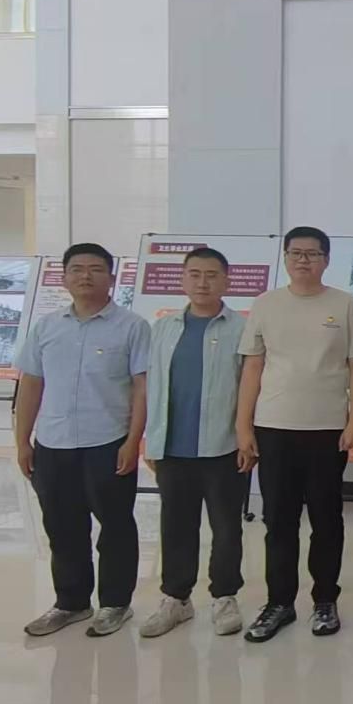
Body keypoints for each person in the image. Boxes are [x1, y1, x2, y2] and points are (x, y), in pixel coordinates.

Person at [237, 226, 353, 642]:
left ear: (326, 259)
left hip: (327, 428)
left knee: (327, 520)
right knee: (279, 520)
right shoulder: (266, 304)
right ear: (285, 258)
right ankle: (279, 603)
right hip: (274, 425)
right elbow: (253, 366)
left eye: (312, 253)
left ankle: (325, 600)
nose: (303, 260)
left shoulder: (345, 305)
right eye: (295, 253)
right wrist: (243, 425)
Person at [14, 242, 151, 638]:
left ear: (112, 277)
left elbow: (142, 387)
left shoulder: (132, 326)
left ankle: (115, 603)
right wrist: (23, 441)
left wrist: (133, 441)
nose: (85, 276)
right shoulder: (47, 327)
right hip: (53, 442)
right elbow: (31, 385)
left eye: (95, 269)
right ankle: (71, 602)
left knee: (115, 526)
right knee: (62, 527)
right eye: (77, 269)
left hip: (107, 441)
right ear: (64, 278)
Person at [140, 247, 249, 638]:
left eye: (212, 275)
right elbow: (152, 386)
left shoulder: (241, 328)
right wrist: (151, 440)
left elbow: (249, 388)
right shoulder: (163, 328)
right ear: (183, 279)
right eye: (195, 274)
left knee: (226, 528)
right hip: (173, 448)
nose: (203, 282)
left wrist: (247, 438)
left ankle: (224, 596)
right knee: (176, 526)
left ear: (227, 280)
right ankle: (176, 598)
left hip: (224, 446)